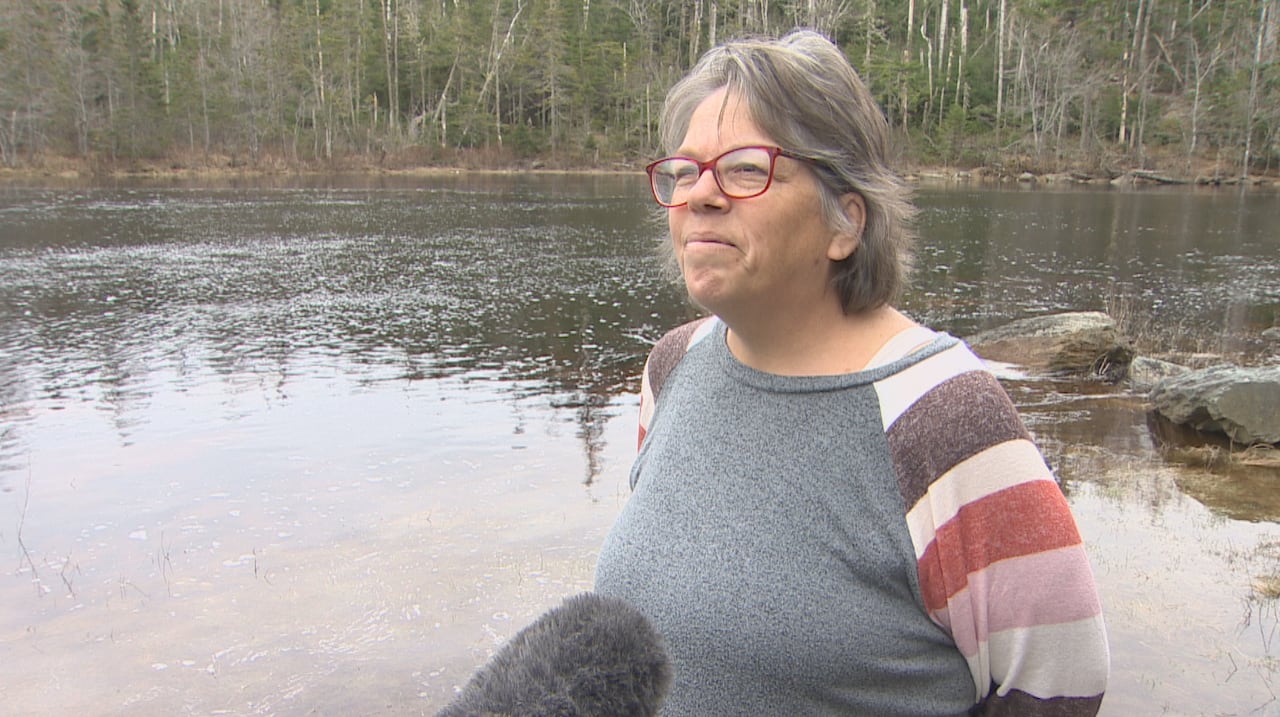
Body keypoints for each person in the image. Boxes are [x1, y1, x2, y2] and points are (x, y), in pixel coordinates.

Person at [592, 29, 1109, 716]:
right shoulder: (674, 366)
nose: (700, 196)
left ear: (846, 221)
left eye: (745, 168)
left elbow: (1062, 682)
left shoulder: (945, 418)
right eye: (685, 170)